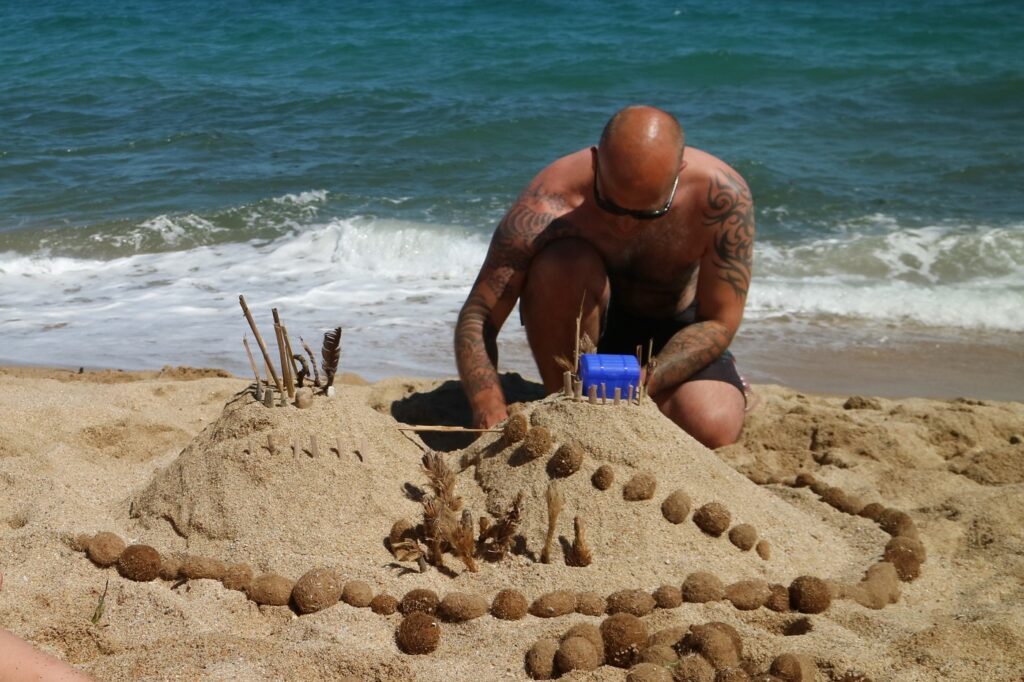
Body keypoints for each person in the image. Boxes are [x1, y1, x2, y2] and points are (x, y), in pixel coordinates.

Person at [454, 105, 754, 448]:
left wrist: (644, 380)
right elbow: (478, 317)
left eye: (649, 212)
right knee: (562, 262)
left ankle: (721, 390)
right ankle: (567, 406)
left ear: (679, 173)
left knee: (712, 427)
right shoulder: (549, 203)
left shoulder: (722, 198)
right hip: (583, 331)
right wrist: (487, 406)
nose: (625, 226)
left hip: (671, 335)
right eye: (610, 204)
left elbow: (719, 322)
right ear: (596, 163)